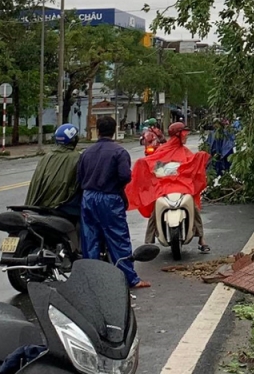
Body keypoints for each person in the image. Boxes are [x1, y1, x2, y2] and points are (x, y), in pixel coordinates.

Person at [77, 115, 150, 289]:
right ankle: (130, 278)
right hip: (109, 198)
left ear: (98, 131)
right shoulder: (119, 152)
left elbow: (79, 177)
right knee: (118, 237)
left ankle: (91, 280)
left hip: (88, 197)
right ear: (115, 130)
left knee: (90, 238)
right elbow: (125, 176)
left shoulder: (86, 153)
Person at [128, 121, 211, 253]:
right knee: (156, 209)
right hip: (165, 187)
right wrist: (142, 163)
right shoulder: (163, 150)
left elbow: (190, 166)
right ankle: (148, 242)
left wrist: (201, 158)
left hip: (182, 187)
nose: (186, 136)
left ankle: (201, 239)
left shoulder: (185, 152)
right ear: (178, 135)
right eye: (184, 133)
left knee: (193, 207)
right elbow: (155, 166)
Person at [25, 124, 83, 219]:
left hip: (40, 206)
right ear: (74, 140)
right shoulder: (77, 158)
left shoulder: (46, 157)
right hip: (64, 207)